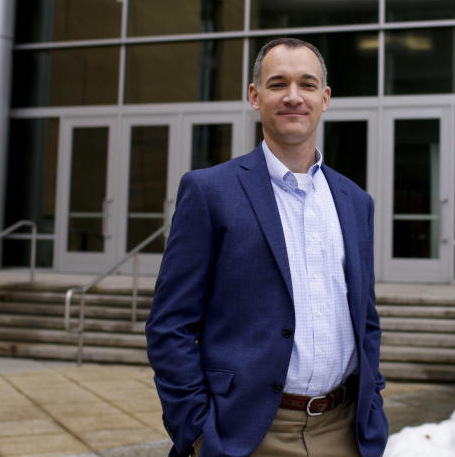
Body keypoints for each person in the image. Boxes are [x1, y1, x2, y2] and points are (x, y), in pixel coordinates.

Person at [145, 38, 388, 457]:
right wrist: (198, 434)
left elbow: (365, 319)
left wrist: (374, 410)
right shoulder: (209, 192)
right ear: (255, 96)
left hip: (345, 432)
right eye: (278, 84)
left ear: (325, 98)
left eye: (307, 85)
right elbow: (170, 326)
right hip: (247, 435)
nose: (293, 97)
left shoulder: (355, 201)